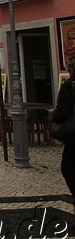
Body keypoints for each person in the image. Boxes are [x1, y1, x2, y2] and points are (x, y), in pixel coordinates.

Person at [50, 58, 75, 210]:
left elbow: (62, 113)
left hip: (73, 138)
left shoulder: (69, 86)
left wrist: (52, 115)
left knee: (68, 168)